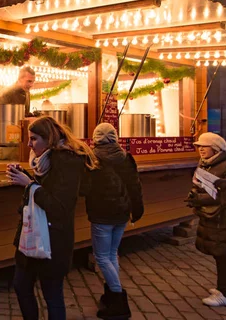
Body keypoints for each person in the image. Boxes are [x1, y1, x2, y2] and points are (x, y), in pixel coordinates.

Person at [6, 116, 97, 320]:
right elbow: (44, 188)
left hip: (53, 240)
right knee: (21, 286)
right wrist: (25, 176)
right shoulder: (43, 161)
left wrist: (28, 185)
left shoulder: (67, 163)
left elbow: (59, 207)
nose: (29, 144)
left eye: (34, 138)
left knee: (52, 295)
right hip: (31, 236)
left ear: (49, 139)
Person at [84, 123, 144, 319]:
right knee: (112, 254)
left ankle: (118, 300)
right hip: (122, 213)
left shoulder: (92, 160)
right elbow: (135, 186)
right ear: (115, 137)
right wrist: (137, 210)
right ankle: (110, 294)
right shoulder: (126, 157)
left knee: (101, 257)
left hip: (102, 214)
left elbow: (84, 188)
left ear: (95, 139)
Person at [185, 132, 226, 307]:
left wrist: (200, 199)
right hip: (210, 215)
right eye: (199, 146)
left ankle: (223, 293)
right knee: (221, 253)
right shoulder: (206, 164)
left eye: (204, 146)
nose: (200, 150)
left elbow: (225, 195)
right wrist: (194, 194)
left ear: (215, 148)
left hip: (222, 217)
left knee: (223, 253)